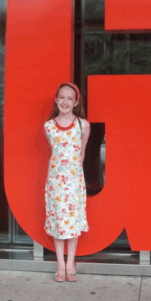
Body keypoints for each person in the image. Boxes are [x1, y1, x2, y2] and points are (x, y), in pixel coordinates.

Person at [43, 82, 90, 282]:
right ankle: (60, 265)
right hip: (55, 181)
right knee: (58, 221)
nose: (65, 102)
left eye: (70, 98)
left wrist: (73, 176)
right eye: (61, 97)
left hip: (74, 182)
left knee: (72, 220)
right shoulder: (49, 126)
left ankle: (70, 263)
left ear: (76, 102)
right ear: (56, 99)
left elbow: (81, 154)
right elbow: (54, 150)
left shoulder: (83, 125)